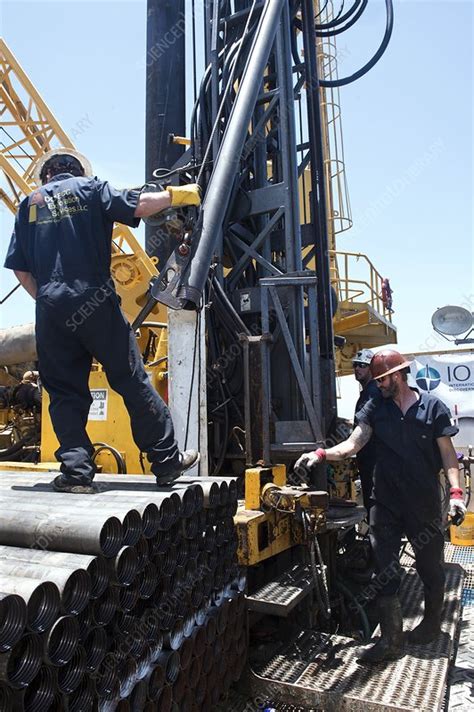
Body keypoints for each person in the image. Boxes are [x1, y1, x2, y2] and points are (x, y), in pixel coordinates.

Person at [4, 148, 202, 493]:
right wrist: (175, 194)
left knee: (63, 391)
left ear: (46, 175)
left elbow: (20, 269)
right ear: (76, 170)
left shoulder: (30, 203)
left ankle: (76, 473)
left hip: (50, 308)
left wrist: (49, 299)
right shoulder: (91, 188)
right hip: (95, 300)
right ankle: (167, 463)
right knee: (131, 380)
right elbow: (139, 205)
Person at [295, 349, 466, 664]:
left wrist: (457, 493)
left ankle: (430, 625)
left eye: (383, 379)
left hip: (422, 503)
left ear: (398, 374)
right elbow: (354, 443)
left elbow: (448, 455)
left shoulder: (433, 408)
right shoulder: (376, 407)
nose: (379, 385)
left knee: (429, 566)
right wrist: (320, 454)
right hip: (384, 502)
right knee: (384, 567)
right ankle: (390, 639)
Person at [352, 348, 380, 518]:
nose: (357, 369)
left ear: (372, 369)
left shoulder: (373, 393)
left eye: (362, 365)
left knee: (376, 506)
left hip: (374, 463)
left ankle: (379, 543)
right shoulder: (367, 393)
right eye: (355, 365)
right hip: (368, 461)